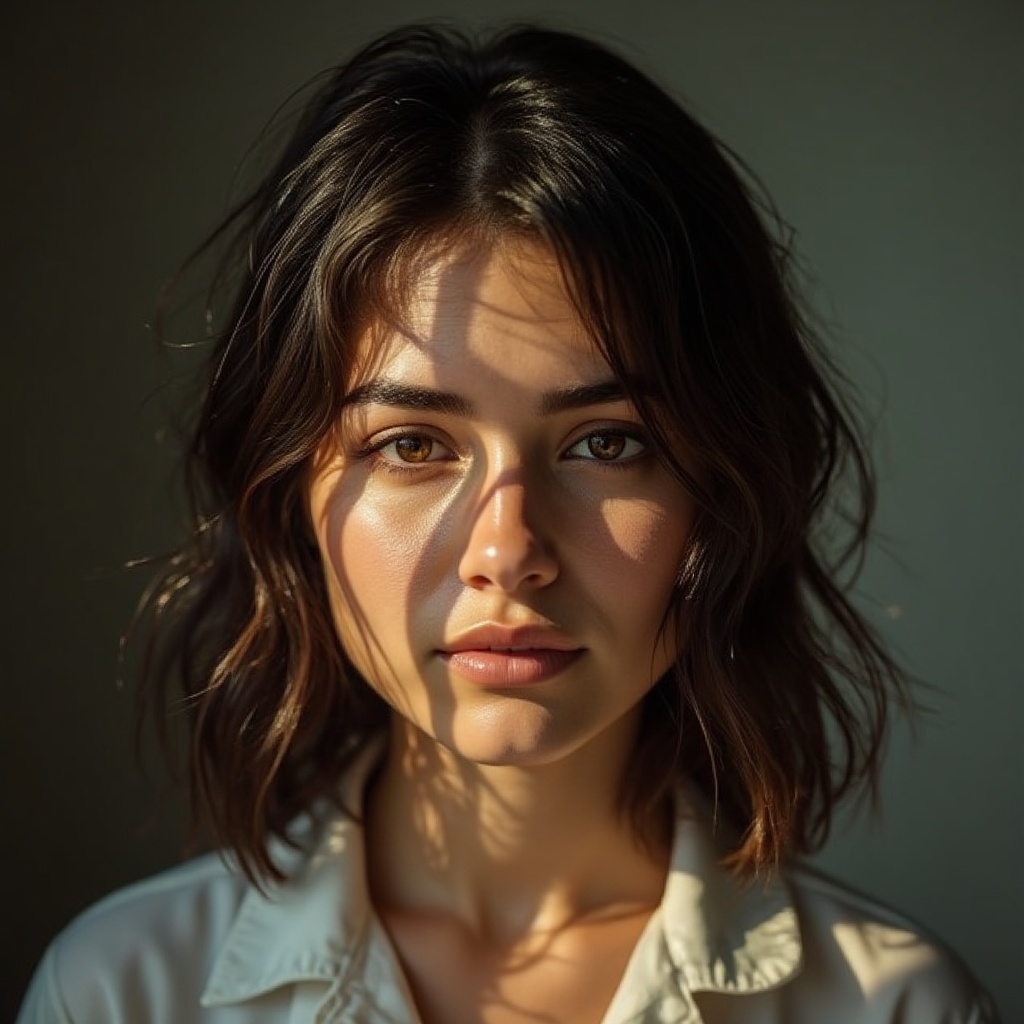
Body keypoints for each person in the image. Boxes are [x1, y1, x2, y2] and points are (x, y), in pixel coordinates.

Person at [17, 23, 998, 1024]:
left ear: (722, 491)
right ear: (290, 496)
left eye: (606, 443)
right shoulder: (121, 991)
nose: (507, 554)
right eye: (411, 446)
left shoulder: (896, 1005)